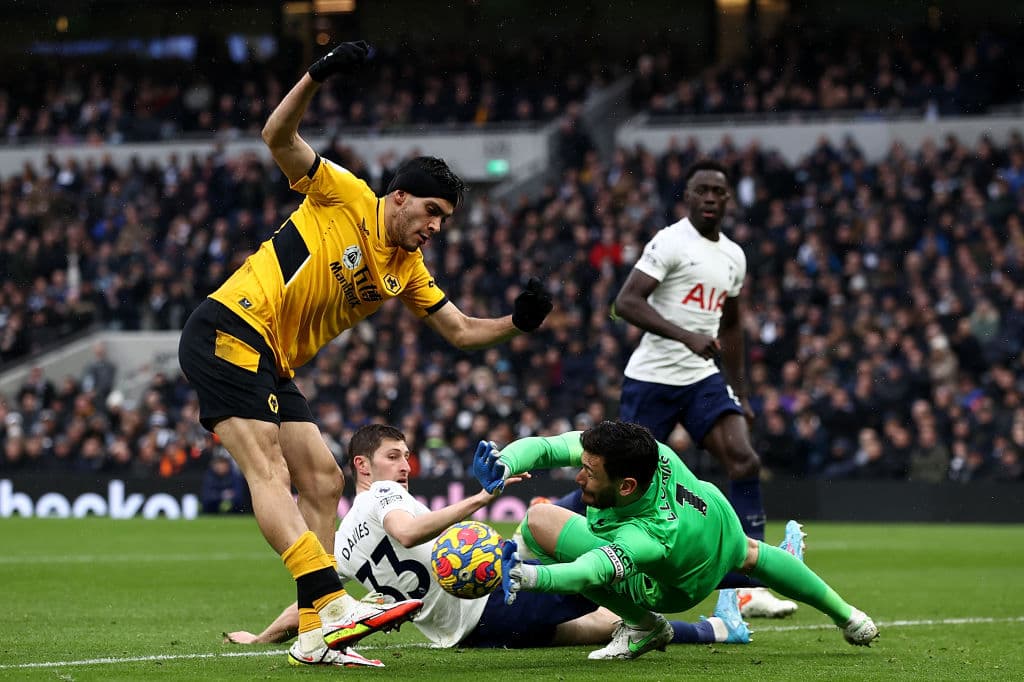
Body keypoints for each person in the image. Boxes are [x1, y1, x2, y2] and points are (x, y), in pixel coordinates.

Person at [176, 40, 553, 669]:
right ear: (399, 196)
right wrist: (316, 75)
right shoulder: (344, 193)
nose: (435, 227)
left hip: (274, 359)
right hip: (232, 325)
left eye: (444, 220)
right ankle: (329, 601)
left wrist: (519, 323)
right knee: (269, 471)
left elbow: (461, 331)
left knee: (325, 481)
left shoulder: (408, 269)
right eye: (431, 212)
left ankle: (314, 633)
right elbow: (276, 136)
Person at [224, 424, 751, 650]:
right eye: (393, 457)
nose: (405, 466)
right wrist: (478, 499)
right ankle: (744, 568)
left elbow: (314, 600)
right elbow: (408, 529)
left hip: (474, 633)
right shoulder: (383, 497)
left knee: (599, 625)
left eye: (407, 456)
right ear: (362, 465)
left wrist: (264, 636)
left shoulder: (342, 545)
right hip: (491, 594)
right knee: (607, 562)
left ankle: (720, 629)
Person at [473, 421, 878, 660]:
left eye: (589, 473)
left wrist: (531, 577)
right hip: (717, 519)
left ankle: (644, 625)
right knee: (754, 554)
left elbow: (588, 573)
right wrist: (506, 462)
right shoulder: (644, 452)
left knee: (556, 538)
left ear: (627, 486)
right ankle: (850, 617)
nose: (579, 477)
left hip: (675, 586)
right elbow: (546, 448)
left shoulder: (647, 535)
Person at [612, 158, 789, 618]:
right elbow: (625, 302)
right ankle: (549, 528)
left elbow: (731, 327)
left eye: (718, 191)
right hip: (651, 379)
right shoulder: (670, 242)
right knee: (622, 481)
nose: (710, 198)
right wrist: (685, 335)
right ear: (687, 197)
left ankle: (749, 586)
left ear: (728, 200)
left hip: (700, 379)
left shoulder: (734, 256)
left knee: (744, 459)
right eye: (702, 190)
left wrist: (741, 394)